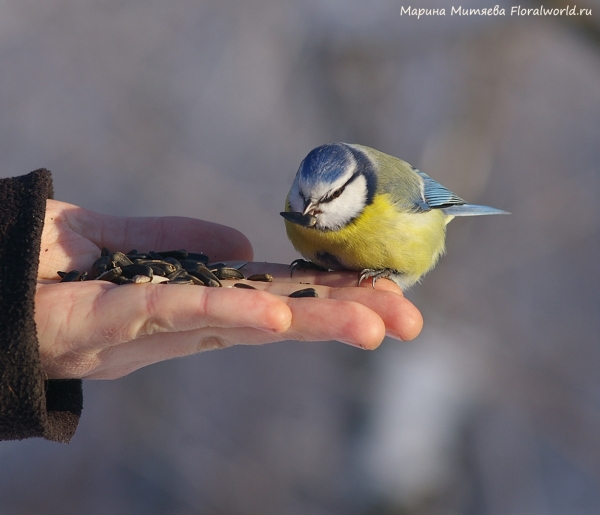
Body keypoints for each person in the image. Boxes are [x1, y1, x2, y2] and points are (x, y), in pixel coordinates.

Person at [0, 169, 423, 443]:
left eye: (327, 201)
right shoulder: (304, 209)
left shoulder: (390, 193)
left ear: (356, 186)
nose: (309, 212)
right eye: (303, 200)